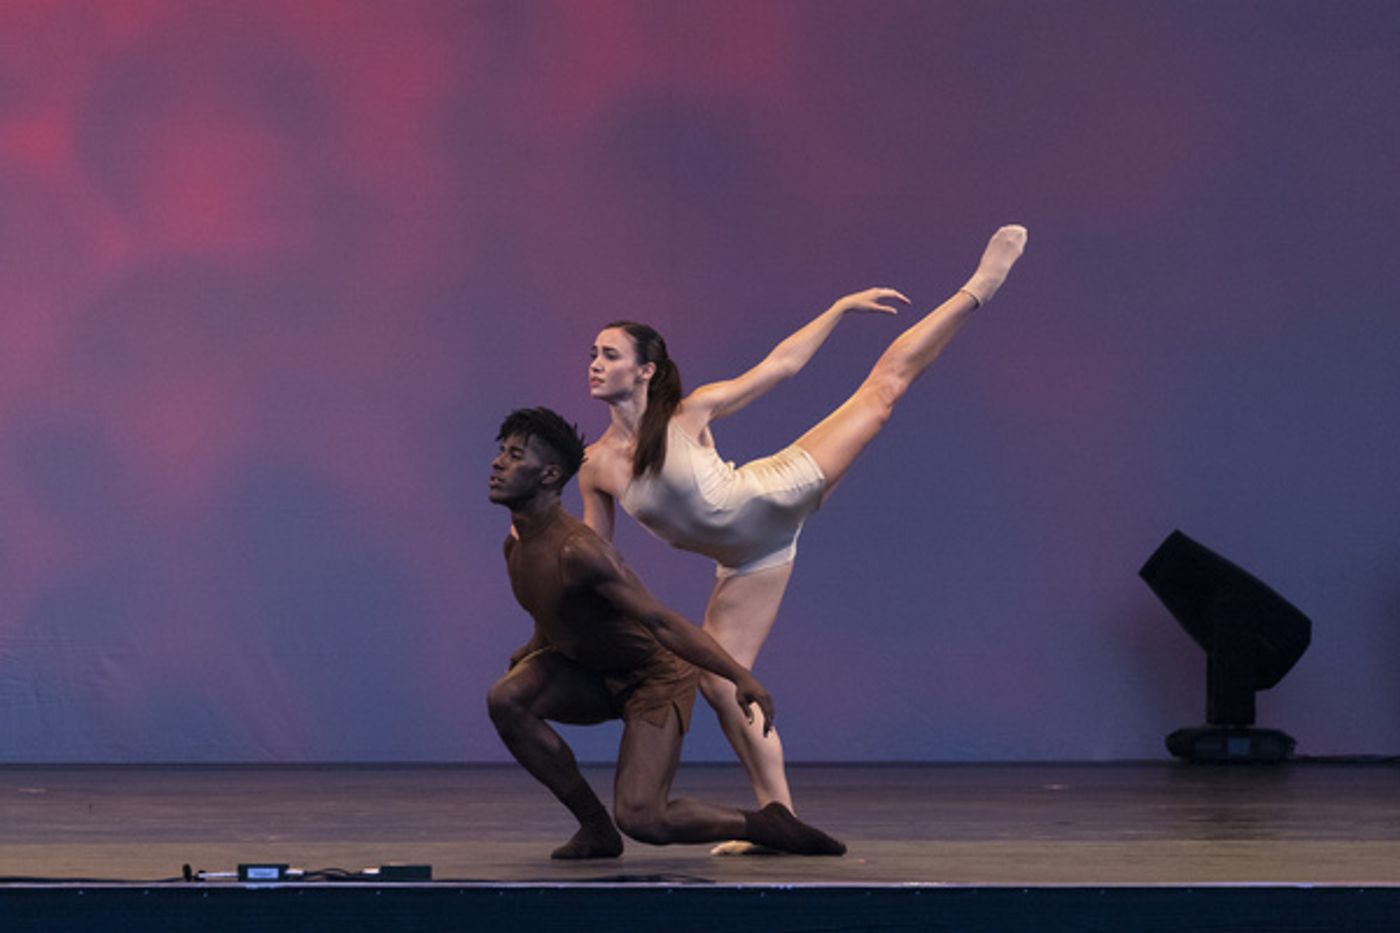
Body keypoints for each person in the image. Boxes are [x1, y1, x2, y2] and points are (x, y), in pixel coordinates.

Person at [578, 226, 1027, 848]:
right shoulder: (595, 465)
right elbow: (593, 559)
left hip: (780, 488)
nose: (596, 364)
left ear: (646, 369)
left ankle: (979, 286)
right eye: (593, 354)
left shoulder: (689, 412)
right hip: (751, 558)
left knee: (885, 387)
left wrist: (839, 309)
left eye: (610, 354)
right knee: (722, 684)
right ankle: (776, 820)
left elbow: (781, 366)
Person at [485, 407, 846, 859]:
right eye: (501, 452)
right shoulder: (516, 545)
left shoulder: (579, 552)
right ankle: (596, 830)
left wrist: (739, 676)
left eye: (514, 455)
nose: (498, 463)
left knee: (643, 818)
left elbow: (660, 621)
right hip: (595, 672)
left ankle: (767, 824)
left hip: (653, 680)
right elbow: (554, 610)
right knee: (506, 698)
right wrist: (533, 650)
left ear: (549, 475)